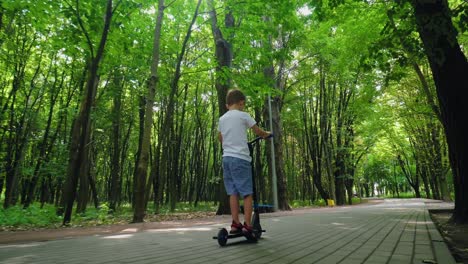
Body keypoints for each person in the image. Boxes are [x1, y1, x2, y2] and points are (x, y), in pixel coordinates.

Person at [217, 89, 271, 237]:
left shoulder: (222, 119)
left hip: (226, 158)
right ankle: (248, 225)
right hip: (241, 159)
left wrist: (229, 144)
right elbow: (258, 131)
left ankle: (235, 224)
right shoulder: (243, 116)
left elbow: (220, 138)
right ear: (241, 102)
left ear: (227, 104)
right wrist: (266, 134)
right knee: (247, 193)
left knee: (232, 193)